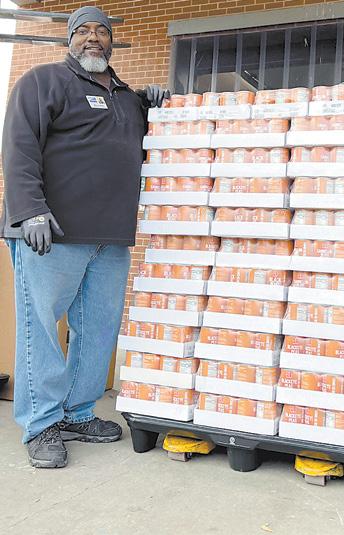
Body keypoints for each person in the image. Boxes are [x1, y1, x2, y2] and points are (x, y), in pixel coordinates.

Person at [0, 6, 169, 469]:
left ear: (111, 42)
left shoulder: (128, 99)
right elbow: (18, 145)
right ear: (69, 39)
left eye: (101, 31)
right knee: (40, 329)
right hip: (50, 232)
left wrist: (156, 106)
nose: (93, 37)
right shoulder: (43, 82)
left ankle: (76, 413)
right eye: (83, 30)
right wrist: (30, 211)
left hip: (110, 236)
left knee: (97, 330)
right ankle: (41, 423)